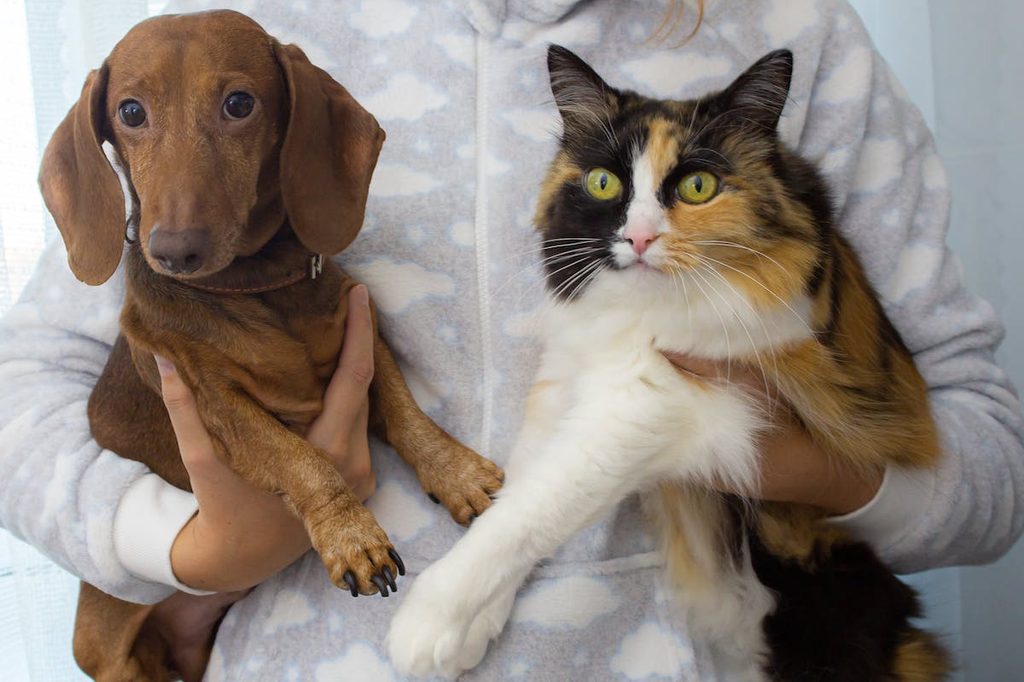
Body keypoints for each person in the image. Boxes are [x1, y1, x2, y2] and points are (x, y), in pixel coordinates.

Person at [2, 0, 1022, 679]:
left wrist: (793, 460)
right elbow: (24, 398)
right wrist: (187, 546)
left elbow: (989, 469)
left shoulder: (794, 35)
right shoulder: (250, 41)